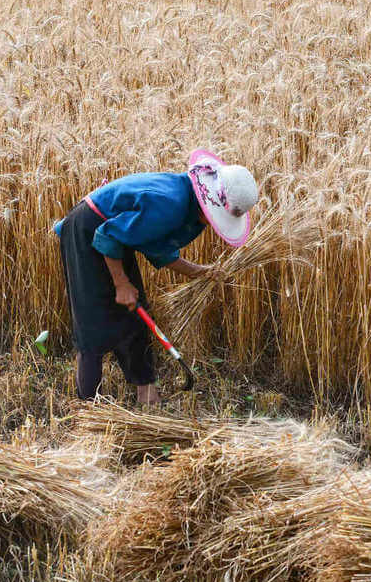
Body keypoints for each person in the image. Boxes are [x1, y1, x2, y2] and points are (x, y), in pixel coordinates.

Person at [53, 149, 258, 404]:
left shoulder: (187, 207)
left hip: (113, 236)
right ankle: (89, 407)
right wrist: (121, 283)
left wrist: (201, 272)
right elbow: (107, 235)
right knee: (93, 322)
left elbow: (157, 248)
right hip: (87, 230)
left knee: (136, 312)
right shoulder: (170, 204)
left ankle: (147, 394)